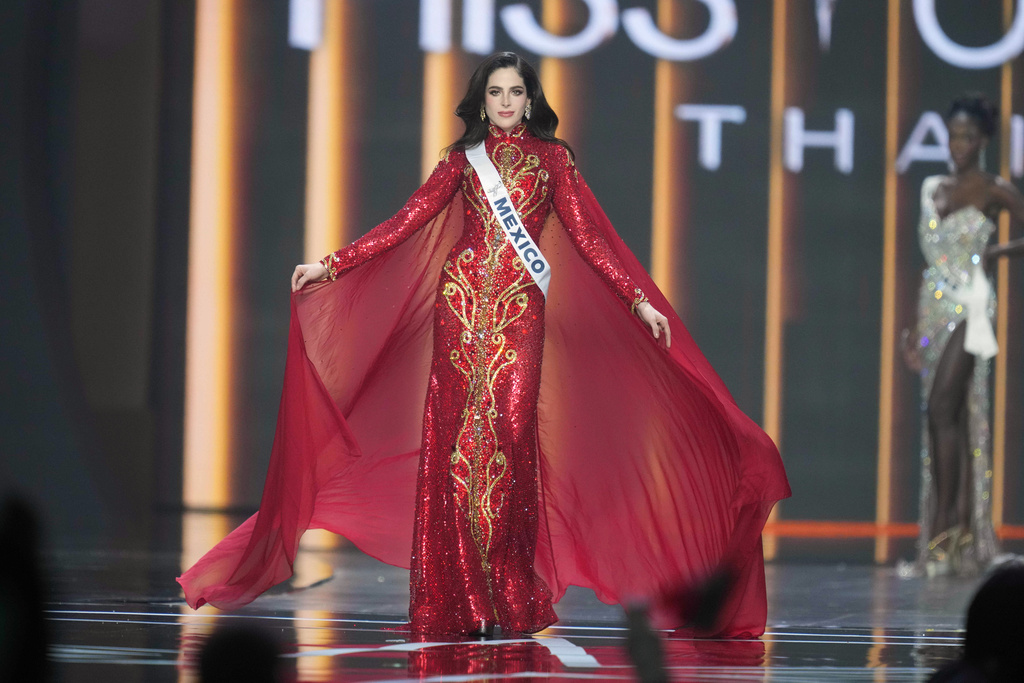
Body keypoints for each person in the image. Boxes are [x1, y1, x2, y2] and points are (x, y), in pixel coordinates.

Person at [178, 52, 790, 637]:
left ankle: (506, 594)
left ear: (530, 101)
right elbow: (409, 217)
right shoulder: (464, 159)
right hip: (462, 308)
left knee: (507, 444)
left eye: (515, 92)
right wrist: (334, 264)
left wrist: (638, 299)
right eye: (494, 92)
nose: (504, 101)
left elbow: (588, 238)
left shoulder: (554, 161)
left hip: (520, 314)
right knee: (455, 448)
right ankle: (456, 598)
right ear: (481, 100)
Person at [902, 94, 1024, 578]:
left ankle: (951, 527)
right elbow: (930, 263)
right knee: (939, 418)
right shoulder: (933, 185)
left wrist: (997, 255)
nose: (959, 145)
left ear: (985, 141)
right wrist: (914, 329)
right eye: (953, 135)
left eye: (969, 137)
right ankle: (944, 537)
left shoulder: (995, 190)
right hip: (933, 307)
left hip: (972, 308)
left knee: (945, 408)